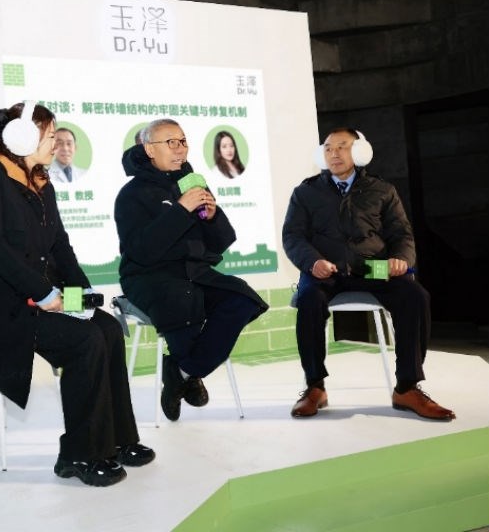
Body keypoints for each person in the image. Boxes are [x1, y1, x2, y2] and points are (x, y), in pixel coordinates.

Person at [0, 102, 154, 487]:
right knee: (85, 341)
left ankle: (117, 441)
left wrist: (83, 292)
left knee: (107, 329)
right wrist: (43, 292)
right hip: (6, 304)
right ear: (23, 136)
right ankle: (80, 455)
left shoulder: (41, 180)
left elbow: (60, 245)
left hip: (47, 294)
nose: (57, 143)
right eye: (51, 135)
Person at [283, 127, 454, 420]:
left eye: (342, 146)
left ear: (360, 151)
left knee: (415, 296)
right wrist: (313, 262)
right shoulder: (305, 192)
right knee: (309, 299)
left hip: (373, 268)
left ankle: (407, 387)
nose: (334, 153)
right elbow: (293, 236)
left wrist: (400, 259)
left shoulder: (382, 190)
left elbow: (402, 235)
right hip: (327, 270)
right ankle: (315, 387)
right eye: (328, 148)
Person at [114, 118, 268, 422]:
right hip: (149, 277)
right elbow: (142, 251)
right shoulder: (131, 194)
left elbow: (222, 242)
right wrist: (181, 210)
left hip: (195, 273)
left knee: (241, 299)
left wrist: (212, 217)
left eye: (183, 141)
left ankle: (182, 371)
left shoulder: (191, 184)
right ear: (149, 149)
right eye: (170, 142)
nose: (179, 149)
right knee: (180, 301)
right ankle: (189, 373)